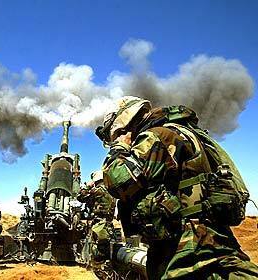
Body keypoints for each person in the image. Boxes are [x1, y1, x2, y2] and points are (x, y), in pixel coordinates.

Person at [96, 96, 258, 280]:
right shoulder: (183, 132)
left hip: (185, 250)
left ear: (123, 126)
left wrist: (118, 147)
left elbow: (119, 181)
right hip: (211, 239)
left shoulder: (158, 135)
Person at [77, 171, 116, 279]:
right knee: (105, 252)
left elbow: (80, 197)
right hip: (108, 224)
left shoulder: (97, 190)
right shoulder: (111, 191)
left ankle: (101, 275)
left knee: (97, 255)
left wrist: (87, 186)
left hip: (99, 226)